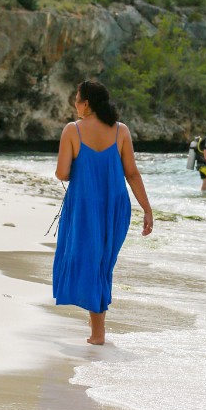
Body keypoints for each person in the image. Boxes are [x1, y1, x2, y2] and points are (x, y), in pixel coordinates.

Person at [53, 80, 153, 346]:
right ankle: (97, 328)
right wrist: (147, 209)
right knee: (102, 265)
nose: (74, 104)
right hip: (115, 205)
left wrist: (82, 169)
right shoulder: (121, 131)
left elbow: (62, 173)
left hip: (85, 205)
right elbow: (131, 173)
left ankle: (98, 333)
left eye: (76, 99)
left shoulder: (72, 131)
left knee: (86, 260)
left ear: (86, 103)